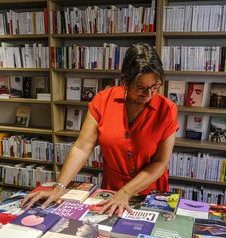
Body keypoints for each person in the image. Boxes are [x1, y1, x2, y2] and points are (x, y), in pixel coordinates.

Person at [20, 43, 179, 217]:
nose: (148, 94)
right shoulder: (103, 100)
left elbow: (160, 162)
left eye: (155, 87)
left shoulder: (167, 109)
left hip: (149, 192)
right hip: (111, 190)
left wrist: (126, 192)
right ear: (125, 81)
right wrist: (59, 188)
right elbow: (82, 147)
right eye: (140, 88)